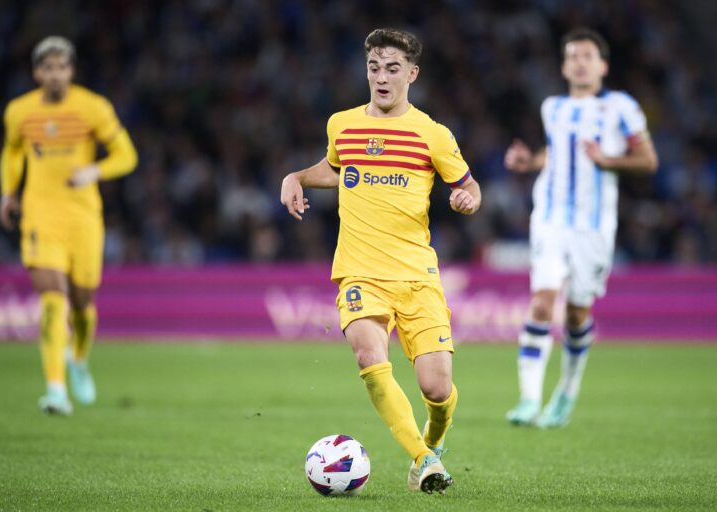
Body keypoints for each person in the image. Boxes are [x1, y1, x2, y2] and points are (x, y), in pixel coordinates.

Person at [280, 28, 481, 494]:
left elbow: (467, 184)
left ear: (412, 73)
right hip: (359, 271)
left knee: (436, 389)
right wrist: (296, 176)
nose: (382, 78)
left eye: (392, 69)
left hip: (417, 276)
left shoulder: (432, 134)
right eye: (374, 67)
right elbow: (335, 167)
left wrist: (467, 199)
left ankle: (432, 441)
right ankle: (425, 459)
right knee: (370, 355)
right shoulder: (342, 124)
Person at [504, 28, 658, 428]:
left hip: (593, 226)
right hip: (551, 219)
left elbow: (647, 160)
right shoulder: (552, 106)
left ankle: (567, 391)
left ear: (603, 65)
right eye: (572, 56)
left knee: (576, 312)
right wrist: (530, 162)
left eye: (587, 55)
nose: (579, 61)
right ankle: (528, 400)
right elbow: (555, 153)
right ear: (563, 65)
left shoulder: (621, 106)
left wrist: (607, 160)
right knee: (542, 301)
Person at [0, 36, 138, 415]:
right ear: (36, 72)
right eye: (48, 68)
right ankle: (55, 390)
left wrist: (95, 169)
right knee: (52, 297)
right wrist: (8, 193)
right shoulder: (20, 112)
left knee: (82, 302)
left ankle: (78, 360)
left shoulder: (93, 107)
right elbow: (12, 152)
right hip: (40, 214)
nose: (55, 75)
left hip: (83, 216)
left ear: (71, 71)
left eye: (61, 67)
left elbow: (127, 155)